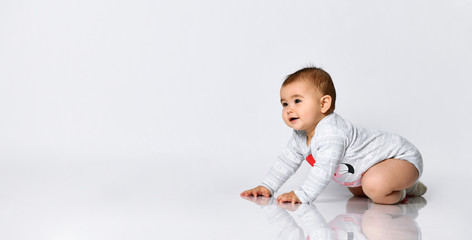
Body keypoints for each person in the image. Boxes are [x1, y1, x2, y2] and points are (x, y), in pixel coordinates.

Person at [240, 67, 427, 204]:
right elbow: (286, 161)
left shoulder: (332, 132)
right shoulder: (300, 135)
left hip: (402, 158)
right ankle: (395, 183)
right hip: (375, 166)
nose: (290, 109)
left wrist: (302, 194)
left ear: (324, 104)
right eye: (285, 104)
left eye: (297, 101)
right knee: (357, 190)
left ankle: (406, 190)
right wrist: (267, 186)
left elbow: (324, 169)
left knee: (374, 186)